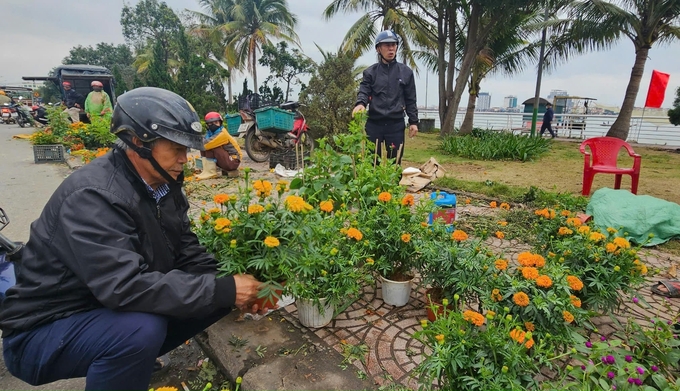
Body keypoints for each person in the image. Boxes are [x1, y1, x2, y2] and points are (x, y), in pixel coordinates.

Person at [0, 87, 266, 390]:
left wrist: (237, 287)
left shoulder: (164, 183)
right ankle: (124, 349)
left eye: (187, 149)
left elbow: (187, 250)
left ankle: (125, 355)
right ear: (138, 142)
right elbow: (123, 287)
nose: (185, 158)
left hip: (98, 307)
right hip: (43, 330)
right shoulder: (93, 196)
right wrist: (223, 289)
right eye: (176, 148)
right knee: (141, 330)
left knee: (216, 295)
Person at [352, 30, 419, 164]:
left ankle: (393, 185)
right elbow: (364, 91)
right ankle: (373, 185)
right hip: (374, 124)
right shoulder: (370, 72)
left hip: (395, 124)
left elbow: (411, 99)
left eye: (393, 45)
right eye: (386, 45)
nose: (391, 48)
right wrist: (360, 104)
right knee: (372, 163)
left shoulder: (406, 72)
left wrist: (413, 122)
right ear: (378, 49)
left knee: (394, 163)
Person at [195, 112, 242, 180]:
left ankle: (211, 172)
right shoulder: (210, 133)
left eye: (216, 122)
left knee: (211, 147)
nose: (213, 125)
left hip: (233, 161)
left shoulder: (222, 134)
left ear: (220, 123)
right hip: (227, 159)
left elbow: (205, 144)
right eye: (210, 123)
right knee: (206, 147)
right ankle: (206, 171)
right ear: (207, 125)